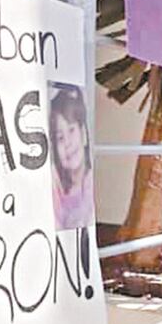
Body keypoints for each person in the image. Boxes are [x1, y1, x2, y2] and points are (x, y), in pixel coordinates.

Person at [49, 85, 94, 230]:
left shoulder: (90, 181)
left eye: (71, 130)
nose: (67, 143)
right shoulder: (56, 187)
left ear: (84, 134)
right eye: (60, 138)